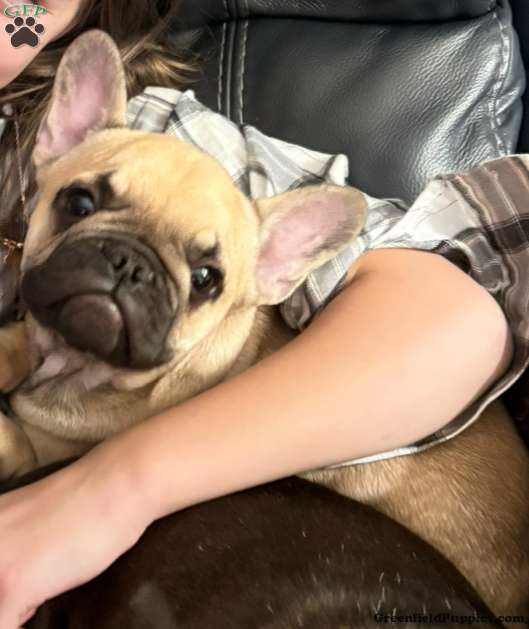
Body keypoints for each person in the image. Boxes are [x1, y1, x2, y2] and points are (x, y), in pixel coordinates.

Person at [0, 1, 518, 627]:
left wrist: (114, 489)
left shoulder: (163, 139)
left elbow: (450, 315)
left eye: (202, 279)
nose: (125, 272)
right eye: (83, 207)